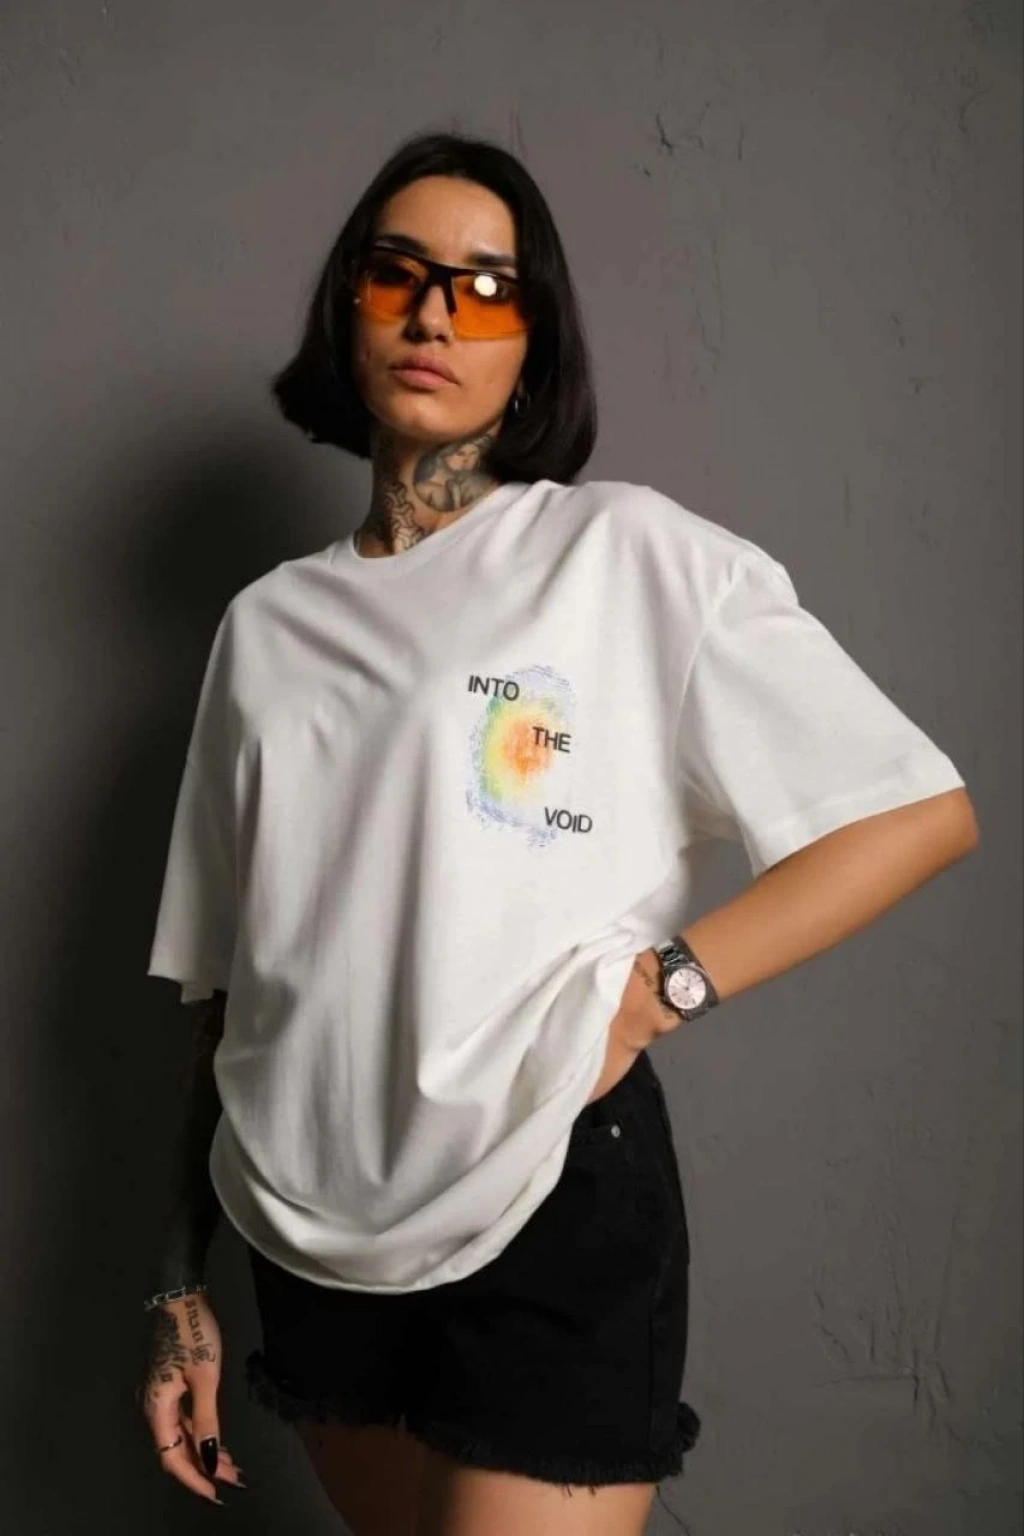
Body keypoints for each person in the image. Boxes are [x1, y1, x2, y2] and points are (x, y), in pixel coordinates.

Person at [137, 129, 979, 1536]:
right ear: (348, 307)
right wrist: (178, 1286)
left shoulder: (619, 555)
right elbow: (228, 994)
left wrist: (662, 990)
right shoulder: (265, 628)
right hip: (307, 1225)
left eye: (487, 288)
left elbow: (916, 810)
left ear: (537, 345)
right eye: (398, 274)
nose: (434, 316)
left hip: (547, 1190)